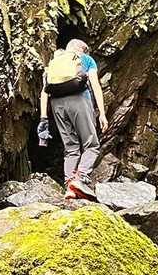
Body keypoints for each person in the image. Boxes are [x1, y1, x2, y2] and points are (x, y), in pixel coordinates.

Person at [38, 39, 108, 200]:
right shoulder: (86, 59)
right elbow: (95, 85)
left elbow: (44, 91)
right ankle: (80, 178)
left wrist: (43, 118)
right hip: (79, 99)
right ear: (81, 49)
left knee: (70, 148)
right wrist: (102, 113)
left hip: (57, 104)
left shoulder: (54, 63)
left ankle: (69, 186)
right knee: (92, 144)